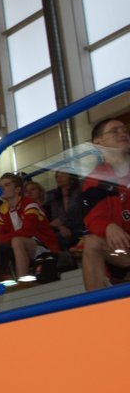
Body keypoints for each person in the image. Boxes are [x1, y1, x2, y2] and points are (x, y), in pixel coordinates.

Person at [80, 118, 130, 290]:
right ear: (98, 143)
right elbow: (93, 217)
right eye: (115, 131)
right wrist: (108, 227)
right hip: (124, 250)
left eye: (124, 129)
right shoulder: (95, 179)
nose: (123, 133)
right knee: (91, 243)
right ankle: (97, 305)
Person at [0, 172, 59, 280]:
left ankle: (22, 281)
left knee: (17, 241)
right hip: (22, 247)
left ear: (17, 189)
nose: (2, 188)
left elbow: (26, 232)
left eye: (7, 185)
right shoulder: (1, 211)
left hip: (45, 248)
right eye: (1, 186)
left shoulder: (30, 204)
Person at [45, 170, 83, 250]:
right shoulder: (55, 197)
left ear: (71, 177)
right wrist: (61, 227)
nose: (59, 178)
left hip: (80, 229)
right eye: (57, 176)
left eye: (63, 175)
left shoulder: (79, 192)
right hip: (63, 230)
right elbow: (55, 218)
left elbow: (77, 214)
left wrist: (60, 222)